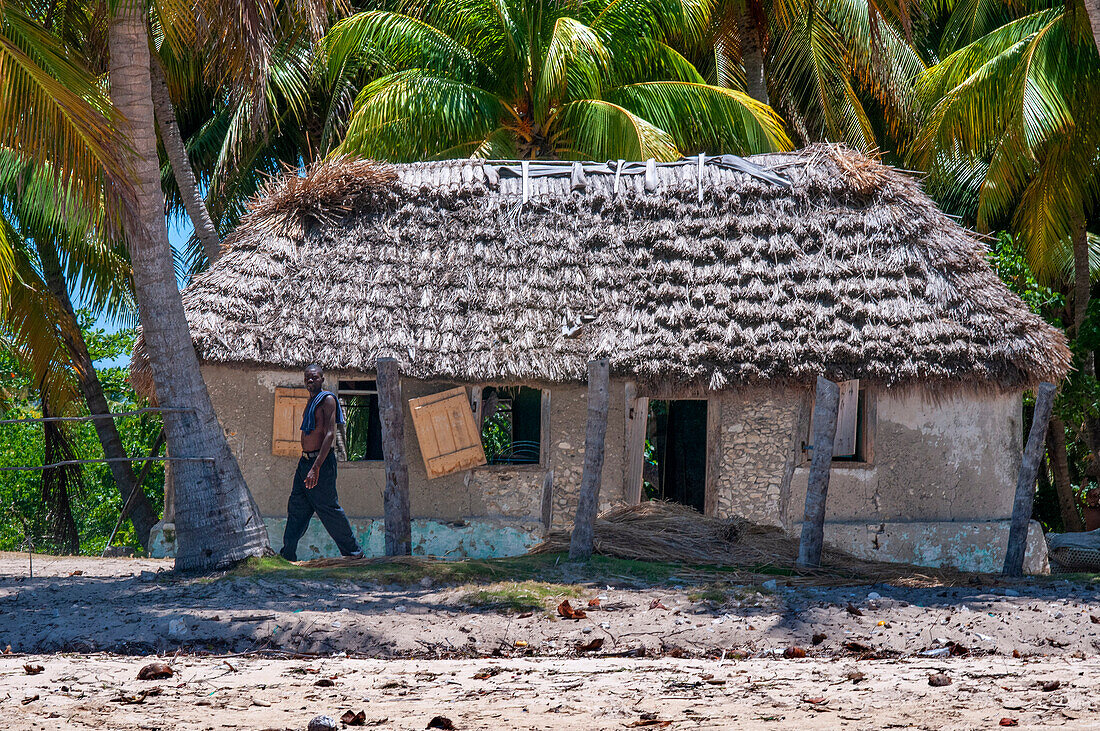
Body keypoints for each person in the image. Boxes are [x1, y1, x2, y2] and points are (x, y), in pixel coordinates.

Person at [279, 364, 363, 561]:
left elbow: (330, 434)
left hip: (320, 464)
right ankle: (287, 555)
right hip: (305, 463)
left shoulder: (327, 400)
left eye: (314, 377)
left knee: (328, 508)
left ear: (322, 379)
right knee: (296, 507)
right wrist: (308, 466)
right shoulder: (310, 401)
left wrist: (316, 467)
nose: (310, 381)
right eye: (307, 378)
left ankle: (354, 553)